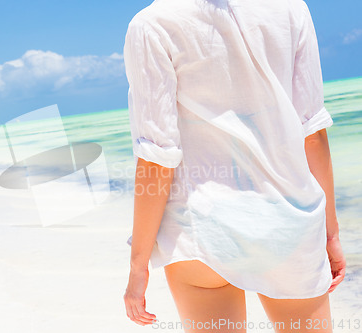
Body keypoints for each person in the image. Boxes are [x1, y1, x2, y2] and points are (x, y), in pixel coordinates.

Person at [122, 0, 346, 332]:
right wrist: (330, 234)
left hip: (203, 229)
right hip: (288, 224)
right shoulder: (291, 8)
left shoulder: (152, 24)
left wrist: (138, 265)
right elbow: (311, 132)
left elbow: (158, 156)